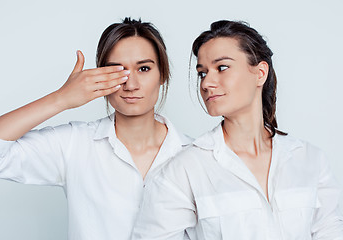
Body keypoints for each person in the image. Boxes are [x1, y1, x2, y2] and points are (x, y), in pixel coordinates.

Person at [132, 20, 343, 240]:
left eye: (221, 67)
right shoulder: (183, 171)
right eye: (202, 73)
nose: (206, 83)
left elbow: (331, 232)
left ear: (260, 73)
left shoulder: (310, 160)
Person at [0, 18, 191, 240]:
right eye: (117, 71)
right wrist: (61, 99)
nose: (131, 85)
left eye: (144, 68)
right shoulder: (75, 144)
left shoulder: (194, 154)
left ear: (163, 75)